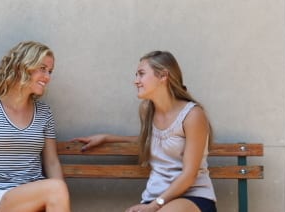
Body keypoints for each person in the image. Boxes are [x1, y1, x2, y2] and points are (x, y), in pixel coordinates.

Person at [74, 50, 216, 212]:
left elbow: (189, 175)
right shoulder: (147, 109)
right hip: (153, 198)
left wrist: (154, 206)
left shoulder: (192, 115)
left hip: (192, 196)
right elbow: (153, 139)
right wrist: (107, 138)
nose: (136, 81)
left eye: (141, 74)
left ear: (163, 76)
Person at [0, 40, 71, 212]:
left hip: (40, 195)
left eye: (50, 71)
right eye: (42, 69)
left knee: (57, 188)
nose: (47, 77)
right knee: (56, 188)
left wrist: (61, 197)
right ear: (23, 66)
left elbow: (52, 162)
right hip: (1, 197)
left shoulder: (44, 112)